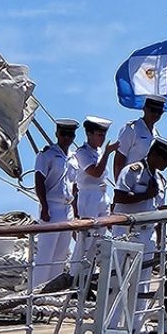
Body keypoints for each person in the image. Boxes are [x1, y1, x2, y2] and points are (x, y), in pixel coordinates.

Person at [112, 136, 167, 334]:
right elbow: (119, 196)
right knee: (118, 281)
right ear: (155, 154)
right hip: (126, 233)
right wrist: (145, 195)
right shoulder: (133, 171)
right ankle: (112, 324)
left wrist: (160, 238)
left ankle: (135, 326)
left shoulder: (159, 179)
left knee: (142, 284)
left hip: (147, 233)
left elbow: (156, 209)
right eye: (165, 160)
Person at [69, 116, 118, 275]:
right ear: (89, 134)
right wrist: (107, 154)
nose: (102, 139)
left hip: (102, 196)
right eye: (99, 135)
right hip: (88, 196)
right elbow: (95, 172)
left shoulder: (97, 153)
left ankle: (87, 279)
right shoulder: (82, 153)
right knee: (86, 240)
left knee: (99, 241)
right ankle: (75, 277)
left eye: (103, 135)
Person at [34, 118, 79, 286]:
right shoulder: (47, 154)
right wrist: (44, 207)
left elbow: (74, 187)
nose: (67, 137)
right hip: (52, 206)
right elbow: (39, 180)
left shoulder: (74, 158)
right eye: (64, 134)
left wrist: (76, 212)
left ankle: (53, 293)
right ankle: (36, 292)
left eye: (70, 134)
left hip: (67, 209)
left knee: (61, 254)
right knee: (46, 253)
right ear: (57, 134)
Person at [113, 95, 165, 180]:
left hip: (147, 187)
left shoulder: (156, 135)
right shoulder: (132, 129)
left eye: (159, 112)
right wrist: (120, 188)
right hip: (130, 183)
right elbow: (119, 161)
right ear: (145, 108)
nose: (156, 114)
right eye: (153, 110)